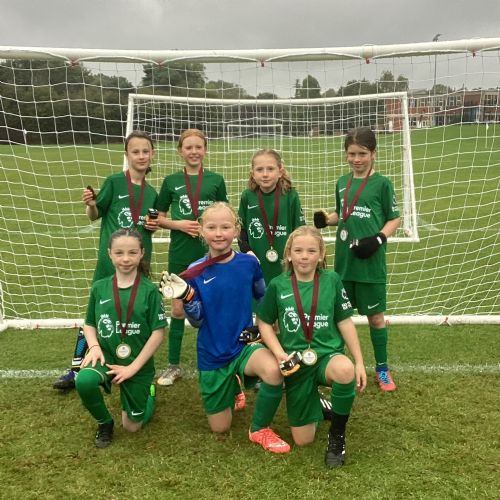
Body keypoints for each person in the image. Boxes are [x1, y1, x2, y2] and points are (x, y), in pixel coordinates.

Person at [160, 202, 290, 454]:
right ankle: (233, 385)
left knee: (274, 371)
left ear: (235, 230)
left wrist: (263, 327)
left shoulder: (249, 264)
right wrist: (187, 297)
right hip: (212, 353)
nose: (219, 233)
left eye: (225, 227)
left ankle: (260, 429)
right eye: (212, 227)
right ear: (201, 231)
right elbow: (197, 321)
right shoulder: (194, 272)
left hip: (243, 346)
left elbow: (262, 297)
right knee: (220, 428)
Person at [53, 131, 160, 391]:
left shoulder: (153, 192)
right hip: (109, 262)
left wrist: (153, 227)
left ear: (152, 154)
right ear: (127, 155)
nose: (141, 156)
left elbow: (150, 226)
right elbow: (94, 214)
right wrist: (89, 204)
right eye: (135, 151)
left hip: (138, 263)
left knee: (135, 312)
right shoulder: (114, 182)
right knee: (96, 313)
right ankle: (76, 367)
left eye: (145, 151)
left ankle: (133, 363)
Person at [257, 226, 367, 467]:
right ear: (288, 254)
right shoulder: (278, 284)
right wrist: (279, 354)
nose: (304, 256)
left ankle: (337, 437)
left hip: (327, 356)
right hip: (296, 364)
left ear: (321, 254)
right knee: (303, 440)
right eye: (298, 250)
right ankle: (316, 401)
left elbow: (345, 322)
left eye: (310, 251)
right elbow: (263, 323)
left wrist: (359, 361)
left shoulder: (332, 280)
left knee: (345, 370)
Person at [313, 127, 400, 392]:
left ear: (373, 153)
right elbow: (343, 215)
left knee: (375, 317)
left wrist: (378, 240)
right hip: (344, 264)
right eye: (351, 153)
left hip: (370, 263)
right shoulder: (342, 182)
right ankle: (336, 367)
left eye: (362, 153)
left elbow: (394, 218)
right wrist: (327, 221)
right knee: (338, 317)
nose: (356, 159)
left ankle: (382, 370)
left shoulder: (382, 184)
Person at [76, 228, 166, 448]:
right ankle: (105, 423)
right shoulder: (100, 287)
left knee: (132, 427)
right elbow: (89, 323)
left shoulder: (150, 291)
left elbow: (158, 333)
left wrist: (132, 368)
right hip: (106, 354)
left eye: (132, 252)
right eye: (119, 253)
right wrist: (94, 347)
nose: (126, 259)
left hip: (137, 362)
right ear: (109, 254)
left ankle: (149, 395)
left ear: (142, 253)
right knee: (83, 381)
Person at [156, 129, 227, 387]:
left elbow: (225, 214)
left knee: (214, 307)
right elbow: (157, 217)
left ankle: (220, 359)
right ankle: (174, 365)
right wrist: (179, 225)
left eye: (199, 147)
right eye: (189, 147)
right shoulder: (171, 181)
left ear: (205, 150)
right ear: (180, 151)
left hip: (211, 253)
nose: (194, 151)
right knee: (177, 309)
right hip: (180, 254)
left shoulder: (216, 180)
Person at [238, 148, 305, 285]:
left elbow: (300, 231)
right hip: (256, 262)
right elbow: (241, 230)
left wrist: (294, 256)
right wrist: (247, 251)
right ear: (253, 174)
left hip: (285, 263)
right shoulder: (247, 196)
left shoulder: (290, 196)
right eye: (259, 170)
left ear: (280, 172)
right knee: (259, 302)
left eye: (270, 169)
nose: (265, 174)